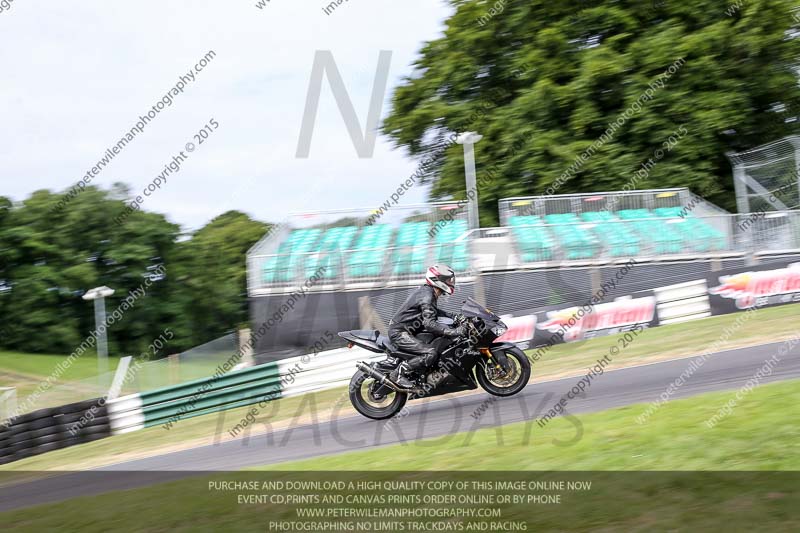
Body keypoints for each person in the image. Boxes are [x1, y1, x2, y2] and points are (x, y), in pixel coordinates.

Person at [387, 265, 466, 388]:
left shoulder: (428, 292)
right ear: (438, 280)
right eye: (448, 280)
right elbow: (429, 324)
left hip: (408, 330)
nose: (451, 283)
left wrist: (455, 317)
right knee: (430, 353)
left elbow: (434, 311)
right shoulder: (427, 296)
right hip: (400, 333)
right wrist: (453, 332)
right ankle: (397, 374)